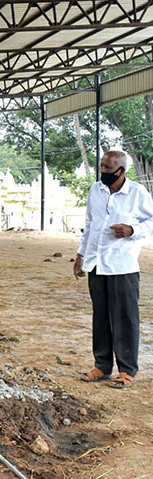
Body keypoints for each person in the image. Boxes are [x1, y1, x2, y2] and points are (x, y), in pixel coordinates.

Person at [74, 150, 153, 389]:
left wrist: (132, 230)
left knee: (125, 318)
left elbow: (151, 222)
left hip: (122, 266)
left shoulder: (137, 193)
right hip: (96, 264)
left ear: (122, 170)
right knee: (100, 317)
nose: (103, 172)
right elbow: (90, 225)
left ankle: (127, 370)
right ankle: (102, 365)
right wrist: (80, 255)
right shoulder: (95, 191)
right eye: (102, 166)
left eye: (108, 168)